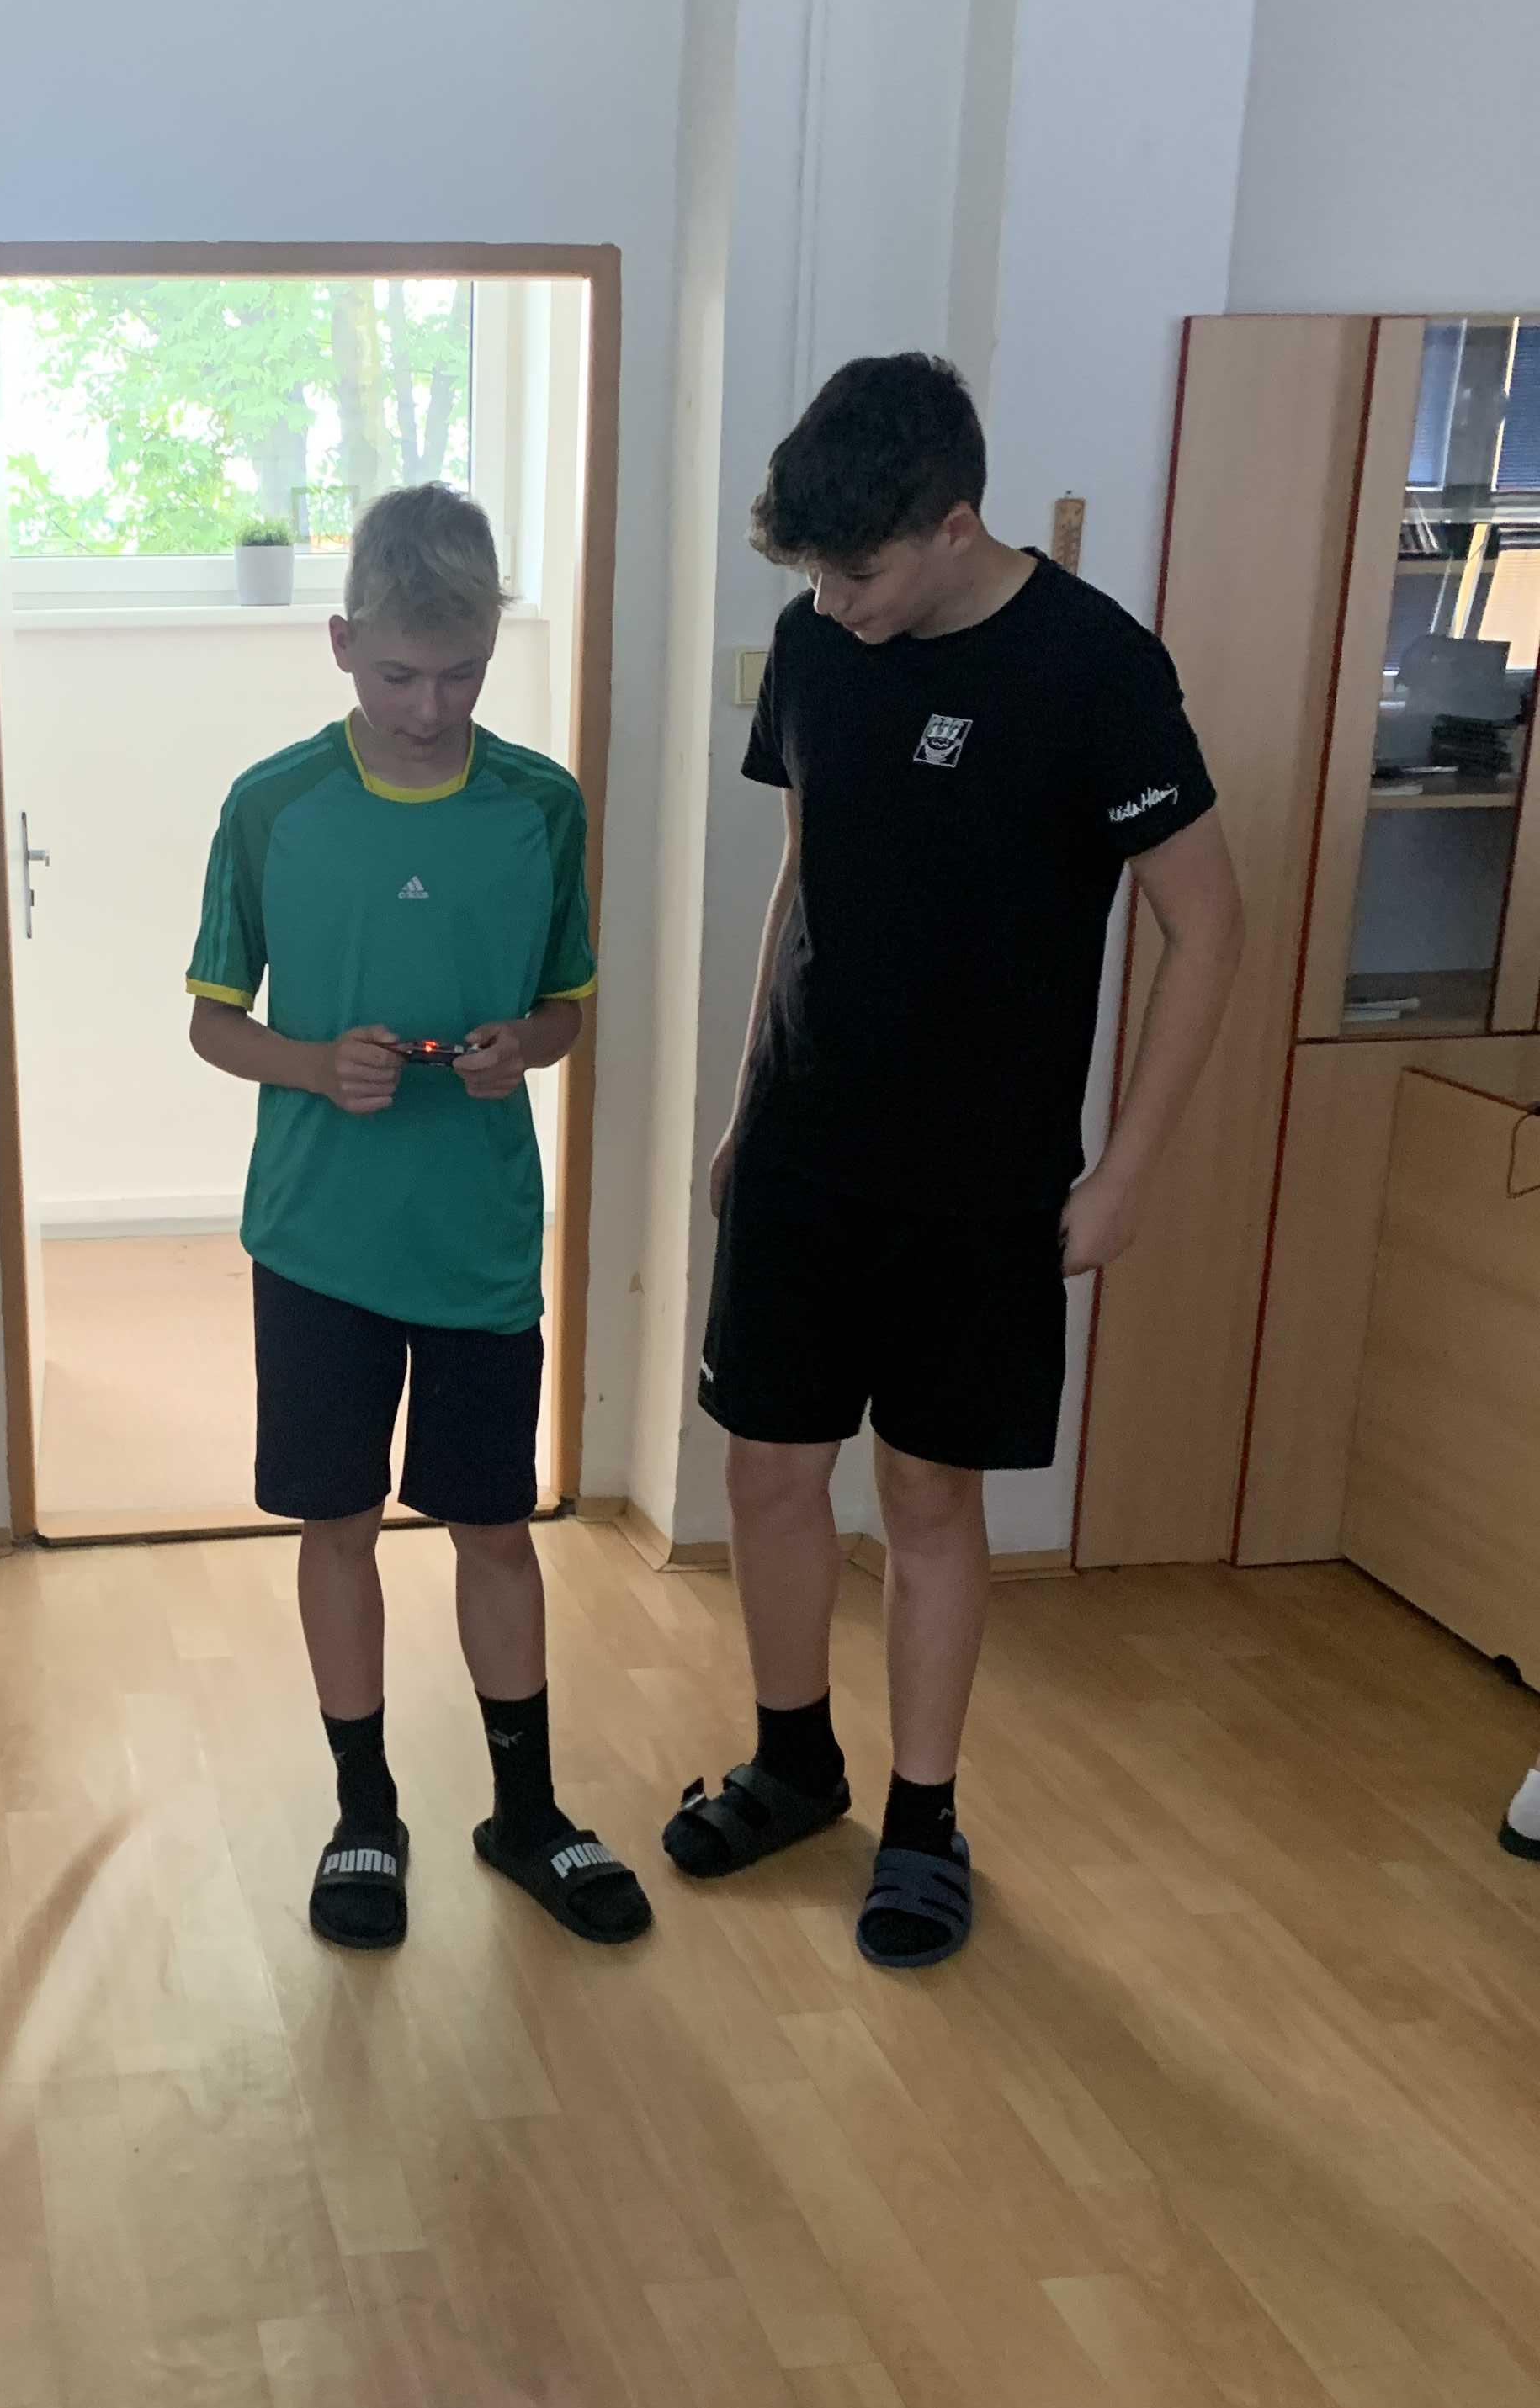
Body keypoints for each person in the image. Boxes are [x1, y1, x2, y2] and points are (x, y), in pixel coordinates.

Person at [669, 352, 1242, 1966]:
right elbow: (804, 877)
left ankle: (925, 1824)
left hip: (983, 1177)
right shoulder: (815, 645)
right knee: (768, 1469)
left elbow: (1210, 931)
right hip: (804, 1145)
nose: (831, 605)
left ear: (955, 525)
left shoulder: (1095, 668)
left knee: (927, 1493)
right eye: (812, 576)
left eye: (858, 574)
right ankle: (794, 1766)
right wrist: (746, 1104)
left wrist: (1124, 1174)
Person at [187, 484, 651, 1953]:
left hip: (478, 1244)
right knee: (338, 1522)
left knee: (494, 1525)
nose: (430, 708)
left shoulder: (541, 806)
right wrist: (314, 1065)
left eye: (461, 675)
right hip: (316, 1240)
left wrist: (529, 1045)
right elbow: (213, 1023)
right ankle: (364, 1812)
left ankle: (527, 1811)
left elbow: (568, 1003)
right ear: (342, 644)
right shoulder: (272, 806)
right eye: (398, 675)